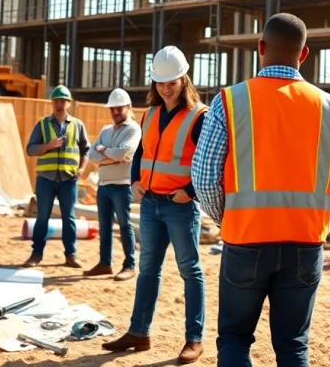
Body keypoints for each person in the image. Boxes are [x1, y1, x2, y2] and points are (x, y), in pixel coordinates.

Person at [192, 12, 330, 367]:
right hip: (305, 243)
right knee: (293, 345)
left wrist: (229, 217)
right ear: (304, 54)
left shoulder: (230, 101)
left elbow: (205, 177)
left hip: (246, 240)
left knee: (235, 340)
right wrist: (315, 210)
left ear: (260, 48)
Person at [101, 46, 207, 364]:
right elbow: (144, 154)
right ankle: (139, 332)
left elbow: (209, 163)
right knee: (148, 270)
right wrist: (135, 179)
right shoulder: (150, 114)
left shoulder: (199, 116)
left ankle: (194, 339)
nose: (165, 87)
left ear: (183, 78)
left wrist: (190, 191)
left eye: (171, 81)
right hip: (150, 204)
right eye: (160, 82)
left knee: (190, 271)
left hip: (180, 206)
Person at [23, 85, 91, 269]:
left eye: (62, 100)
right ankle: (36, 254)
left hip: (69, 180)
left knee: (69, 218)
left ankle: (71, 255)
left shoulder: (78, 125)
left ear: (69, 103)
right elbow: (30, 149)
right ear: (52, 103)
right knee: (42, 217)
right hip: (46, 179)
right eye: (56, 100)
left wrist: (81, 169)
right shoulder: (43, 125)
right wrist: (48, 146)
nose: (59, 104)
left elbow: (86, 150)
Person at [84, 88, 141, 280]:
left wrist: (104, 152)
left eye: (119, 108)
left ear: (128, 107)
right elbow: (91, 156)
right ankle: (104, 263)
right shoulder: (105, 130)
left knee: (125, 225)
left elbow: (122, 153)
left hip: (122, 186)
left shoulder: (133, 129)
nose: (115, 112)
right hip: (104, 185)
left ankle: (129, 265)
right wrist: (112, 156)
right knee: (104, 226)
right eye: (112, 109)